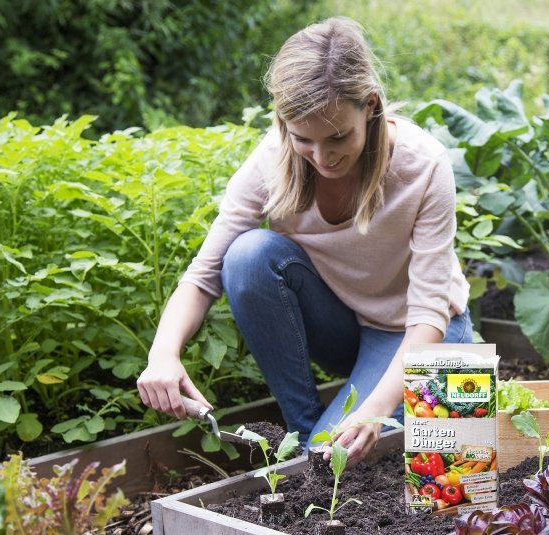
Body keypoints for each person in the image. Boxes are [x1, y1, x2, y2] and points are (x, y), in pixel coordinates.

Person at [136, 16, 471, 466]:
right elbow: (204, 275)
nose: (323, 157)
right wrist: (162, 355)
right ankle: (304, 429)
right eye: (303, 140)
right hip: (344, 326)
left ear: (370, 106)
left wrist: (372, 412)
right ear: (283, 123)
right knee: (248, 256)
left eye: (337, 137)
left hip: (422, 334)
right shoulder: (272, 162)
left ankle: (319, 444)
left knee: (388, 471)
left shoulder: (423, 165)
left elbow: (429, 312)